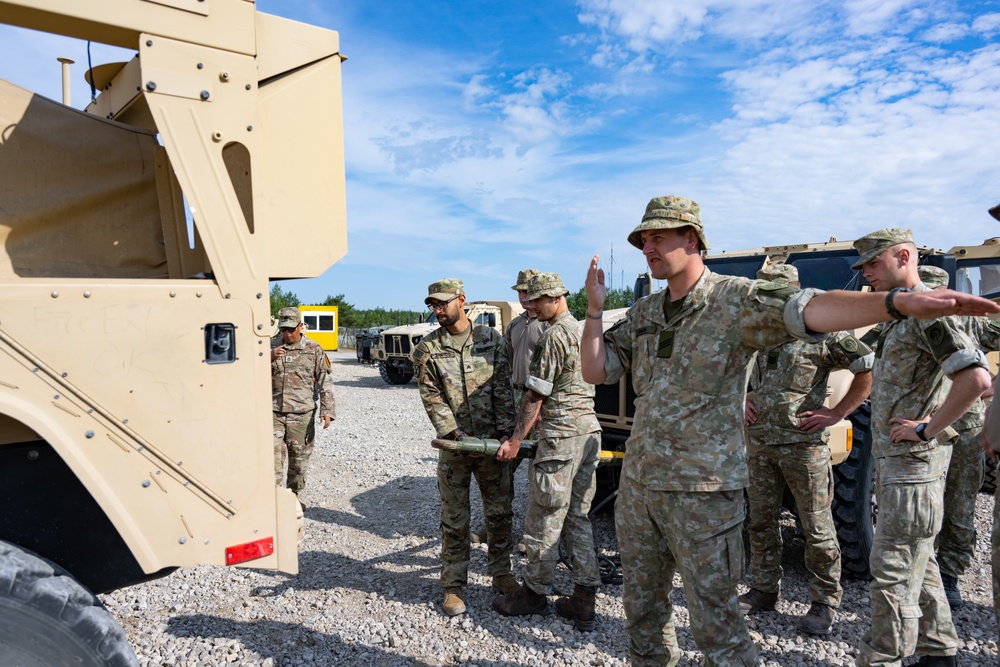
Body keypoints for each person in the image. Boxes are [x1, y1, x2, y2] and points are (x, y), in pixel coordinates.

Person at [578, 196, 998, 666]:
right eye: (643, 241)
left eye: (658, 237)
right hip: (640, 486)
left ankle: (834, 600)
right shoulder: (645, 312)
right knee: (643, 614)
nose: (647, 248)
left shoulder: (735, 299)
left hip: (703, 491)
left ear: (691, 238)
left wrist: (893, 303)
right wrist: (595, 312)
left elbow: (811, 310)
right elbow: (596, 372)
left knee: (716, 624)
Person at [852, 229, 992, 667]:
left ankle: (884, 657)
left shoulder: (931, 312)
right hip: (899, 466)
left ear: (904, 256)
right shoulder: (901, 314)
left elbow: (976, 380)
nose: (867, 275)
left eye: (874, 264)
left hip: (913, 468)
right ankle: (939, 650)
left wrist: (928, 428)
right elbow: (856, 356)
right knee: (919, 559)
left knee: (892, 572)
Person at [741, 263, 874, 635]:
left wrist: (838, 412)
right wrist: (741, 397)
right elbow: (731, 369)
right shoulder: (756, 334)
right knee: (760, 522)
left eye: (779, 293)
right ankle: (764, 590)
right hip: (760, 445)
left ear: (795, 292)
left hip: (804, 447)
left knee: (816, 526)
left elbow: (866, 368)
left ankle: (824, 600)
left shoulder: (822, 332)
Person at [493, 272, 603, 631]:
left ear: (557, 298)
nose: (531, 304)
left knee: (543, 515)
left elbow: (535, 395)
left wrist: (514, 438)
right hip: (588, 432)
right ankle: (584, 599)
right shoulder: (584, 329)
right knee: (578, 517)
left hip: (560, 436)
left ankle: (534, 593)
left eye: (538, 299)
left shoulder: (554, 335)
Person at [412, 278, 520, 617]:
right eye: (434, 305)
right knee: (455, 519)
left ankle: (502, 574)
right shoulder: (427, 349)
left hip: (492, 447)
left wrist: (506, 434)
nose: (438, 309)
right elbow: (431, 396)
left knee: (499, 514)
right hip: (455, 448)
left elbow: (503, 388)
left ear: (462, 300)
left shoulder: (491, 340)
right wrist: (453, 433)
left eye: (444, 303)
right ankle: (454, 584)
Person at [917, 265, 1000, 611]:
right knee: (924, 504)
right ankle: (925, 574)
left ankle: (949, 575)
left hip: (964, 427)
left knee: (960, 504)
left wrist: (993, 385)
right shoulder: (910, 319)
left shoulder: (973, 322)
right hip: (925, 426)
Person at [272, 306, 336, 498]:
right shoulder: (270, 346)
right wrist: (268, 357)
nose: (287, 334)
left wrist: (327, 410)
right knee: (270, 461)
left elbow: (325, 380)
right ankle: (272, 502)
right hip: (273, 413)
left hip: (302, 416)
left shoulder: (313, 349)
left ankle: (293, 500)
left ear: (300, 326)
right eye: (283, 330)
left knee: (298, 463)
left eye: (291, 329)